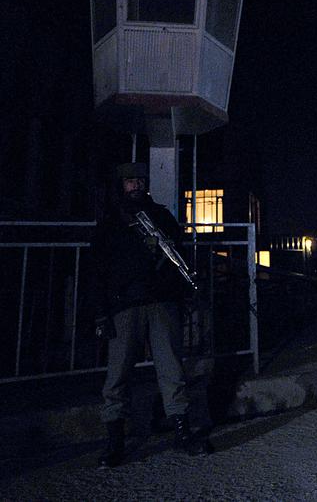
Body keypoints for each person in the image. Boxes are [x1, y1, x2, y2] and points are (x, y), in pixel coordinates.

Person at [91, 162, 211, 467]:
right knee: (117, 375)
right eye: (130, 181)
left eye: (140, 180)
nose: (136, 186)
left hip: (161, 303)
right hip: (125, 306)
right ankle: (115, 442)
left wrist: (182, 294)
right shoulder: (110, 222)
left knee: (171, 369)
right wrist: (101, 312)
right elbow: (97, 271)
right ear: (121, 185)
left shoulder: (161, 217)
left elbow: (178, 254)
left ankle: (182, 433)